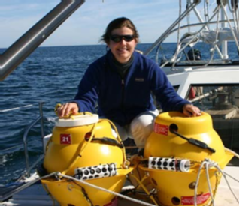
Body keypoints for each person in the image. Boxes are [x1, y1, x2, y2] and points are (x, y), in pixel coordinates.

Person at [57, 17, 201, 147]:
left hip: (141, 118)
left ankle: (146, 158)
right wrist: (76, 105)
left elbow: (166, 94)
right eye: (116, 38)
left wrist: (183, 105)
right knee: (100, 133)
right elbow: (86, 98)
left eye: (128, 38)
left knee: (145, 124)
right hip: (111, 120)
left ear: (135, 41)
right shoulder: (97, 69)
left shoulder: (148, 67)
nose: (123, 43)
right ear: (108, 42)